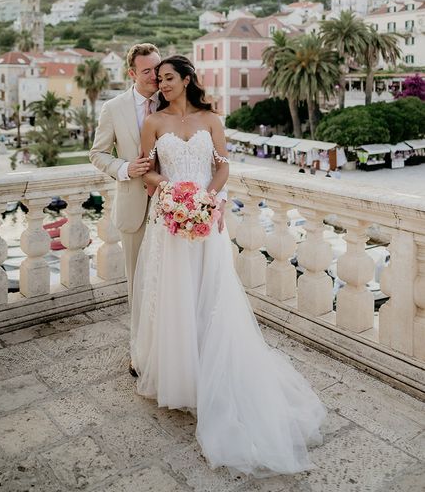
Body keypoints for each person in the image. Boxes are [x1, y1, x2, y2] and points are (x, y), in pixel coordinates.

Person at [131, 55, 325, 476]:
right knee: (174, 293)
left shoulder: (211, 119)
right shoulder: (153, 123)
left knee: (211, 290)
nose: (161, 85)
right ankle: (181, 372)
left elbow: (223, 167)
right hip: (170, 221)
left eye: (168, 78)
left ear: (186, 80)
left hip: (207, 219)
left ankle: (215, 366)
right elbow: (148, 173)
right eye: (158, 79)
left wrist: (209, 200)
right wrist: (173, 192)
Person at [89, 43, 161, 374]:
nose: (155, 76)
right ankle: (138, 354)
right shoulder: (113, 108)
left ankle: (166, 347)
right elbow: (97, 153)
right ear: (132, 73)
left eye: (157, 69)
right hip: (132, 208)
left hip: (169, 209)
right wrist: (124, 168)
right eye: (147, 71)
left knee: (166, 281)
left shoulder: (172, 102)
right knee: (137, 284)